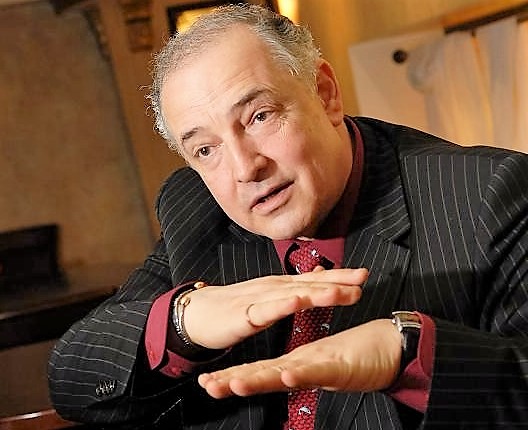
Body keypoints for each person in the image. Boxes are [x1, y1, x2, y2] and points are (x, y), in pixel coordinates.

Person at [48, 4, 528, 429]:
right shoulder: (195, 206)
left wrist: (411, 354)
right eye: (205, 149)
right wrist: (184, 323)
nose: (245, 169)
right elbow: (72, 375)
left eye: (259, 116)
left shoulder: (487, 192)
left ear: (325, 93)